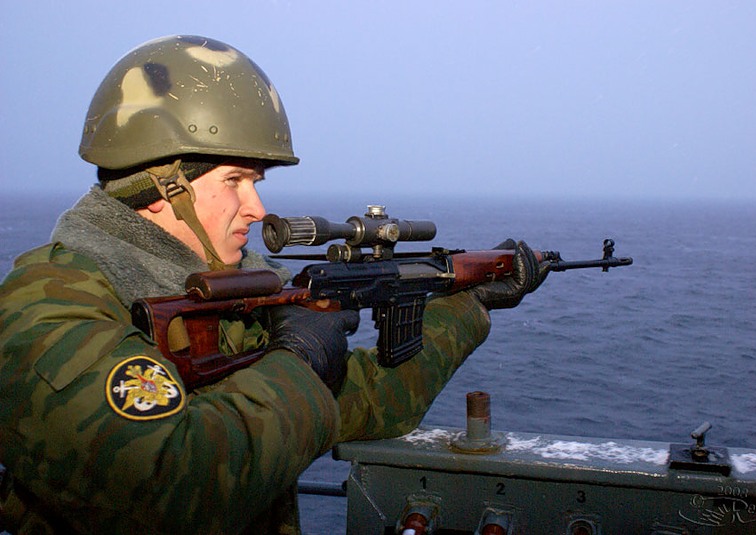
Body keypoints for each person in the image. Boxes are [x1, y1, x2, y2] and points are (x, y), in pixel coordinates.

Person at [0, 35, 547, 534]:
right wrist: (301, 358)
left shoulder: (231, 295)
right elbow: (168, 487)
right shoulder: (45, 306)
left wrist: (469, 304)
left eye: (255, 183)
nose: (257, 209)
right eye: (235, 181)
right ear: (161, 187)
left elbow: (371, 402)